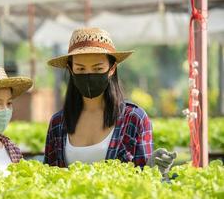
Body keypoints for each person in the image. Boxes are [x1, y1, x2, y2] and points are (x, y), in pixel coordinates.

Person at [44, 27, 176, 175]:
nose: (89, 75)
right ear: (70, 70)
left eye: (98, 69)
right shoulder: (58, 123)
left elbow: (144, 183)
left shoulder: (134, 118)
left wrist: (155, 171)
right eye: (80, 69)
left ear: (112, 68)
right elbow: (47, 178)